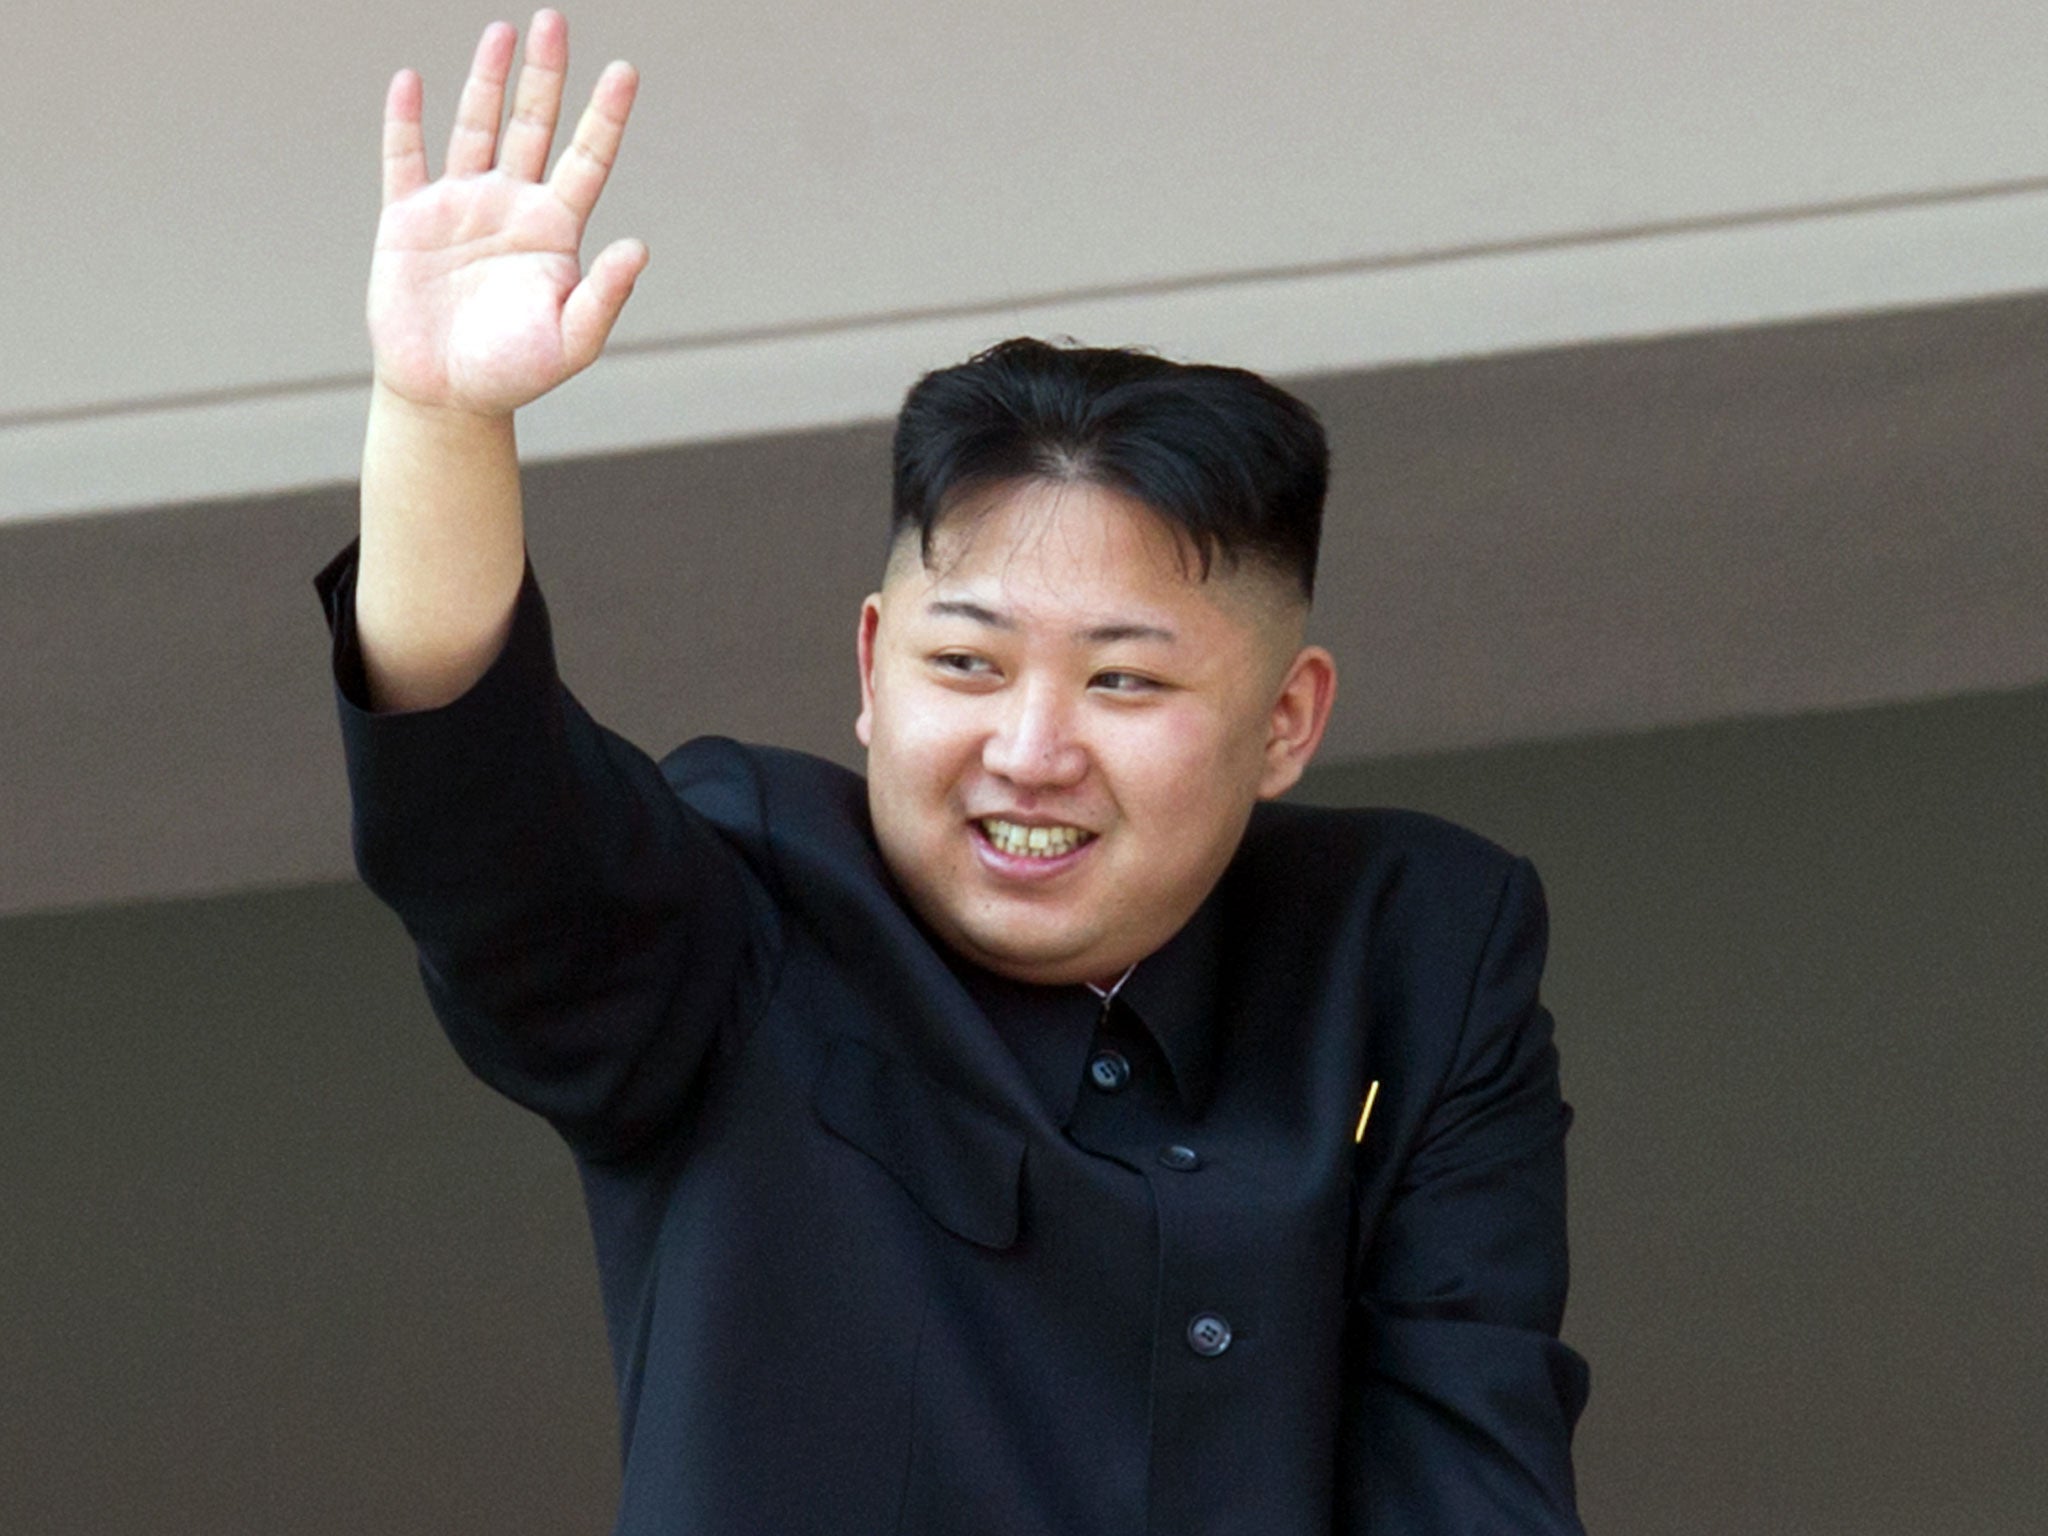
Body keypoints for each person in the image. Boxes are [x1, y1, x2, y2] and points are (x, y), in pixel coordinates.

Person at [318, 10, 1589, 1533]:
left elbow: (1475, 1459)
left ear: (1287, 722)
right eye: (967, 665)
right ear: (870, 668)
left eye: (1125, 681)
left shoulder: (1415, 952)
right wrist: (441, 419)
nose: (1032, 750)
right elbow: (480, 818)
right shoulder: (751, 911)